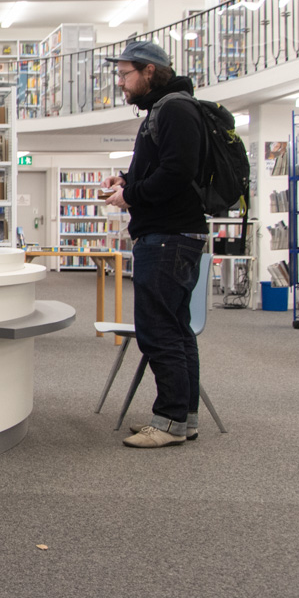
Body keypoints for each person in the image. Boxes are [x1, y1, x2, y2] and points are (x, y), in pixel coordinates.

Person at [100, 40, 207, 449]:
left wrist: (131, 196)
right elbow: (164, 167)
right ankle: (184, 419)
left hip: (167, 238)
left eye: (125, 74)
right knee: (177, 330)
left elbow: (177, 172)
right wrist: (126, 181)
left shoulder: (175, 109)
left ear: (149, 71)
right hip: (171, 236)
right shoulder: (165, 109)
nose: (121, 82)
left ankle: (170, 421)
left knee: (159, 330)